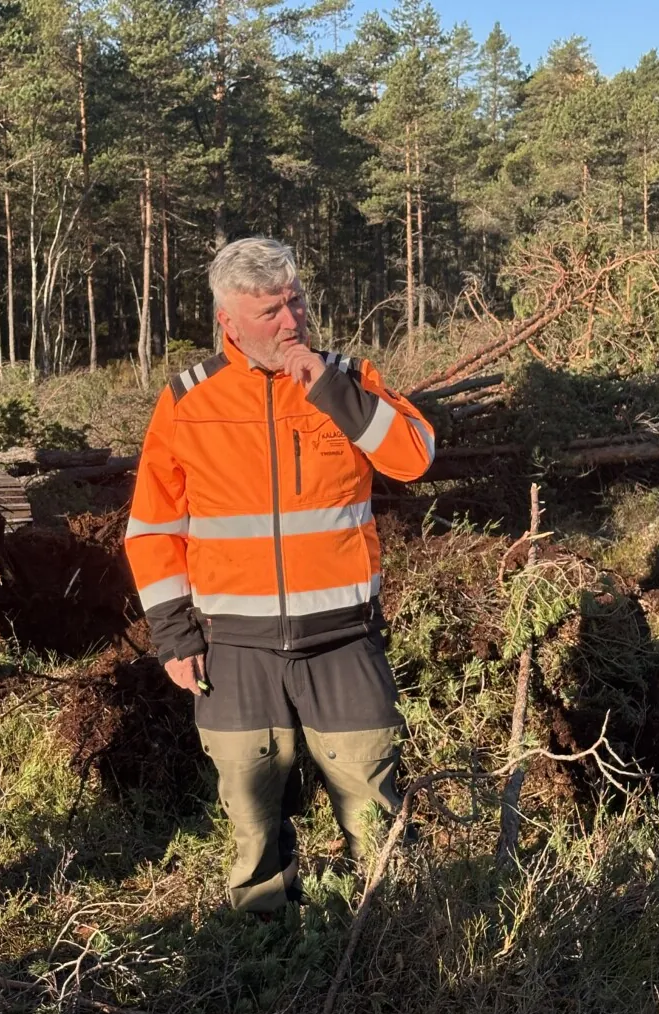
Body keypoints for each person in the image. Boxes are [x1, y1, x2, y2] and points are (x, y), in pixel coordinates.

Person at [124, 237, 435, 914]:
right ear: (229, 321)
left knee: (373, 810)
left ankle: (392, 945)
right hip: (235, 650)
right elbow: (153, 529)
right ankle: (264, 958)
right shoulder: (187, 401)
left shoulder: (349, 378)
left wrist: (331, 389)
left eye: (295, 301)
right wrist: (175, 635)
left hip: (345, 642)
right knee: (254, 819)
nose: (291, 320)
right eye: (271, 310)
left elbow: (414, 456)